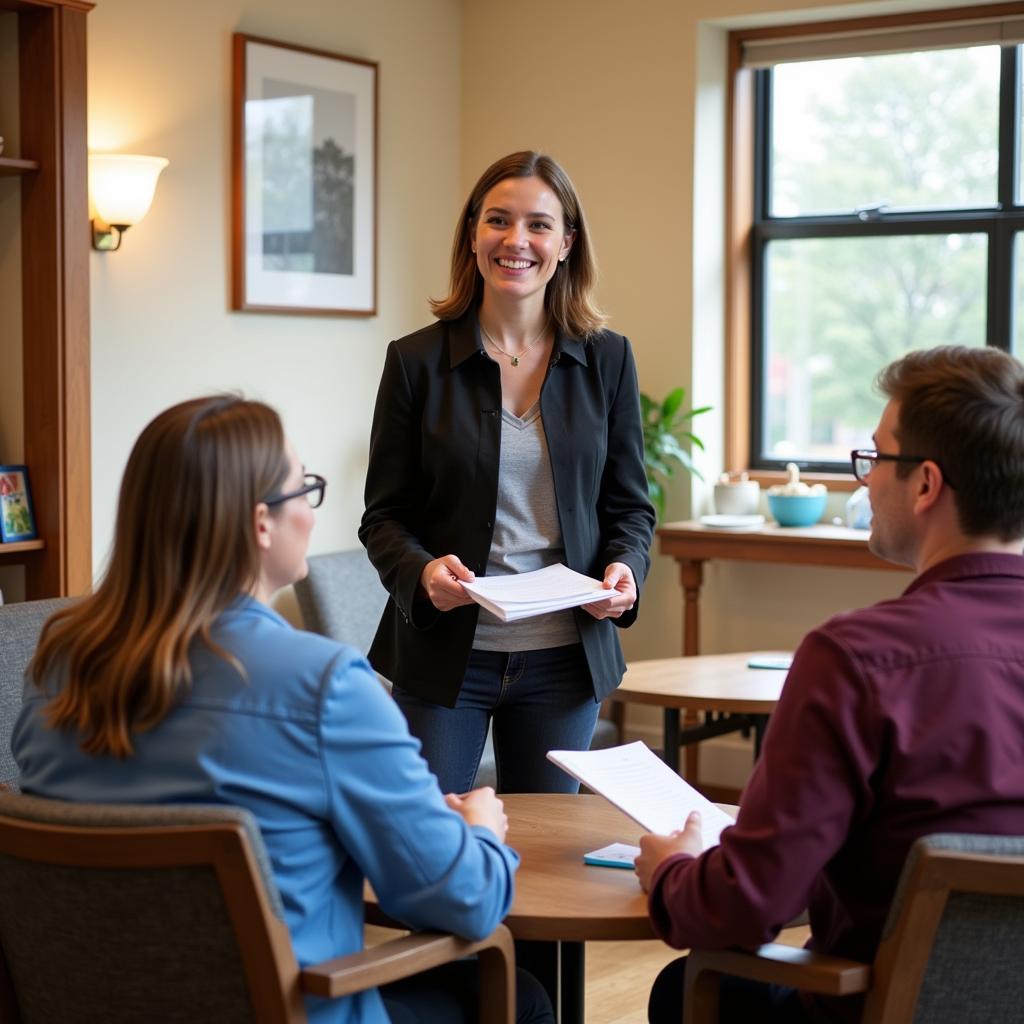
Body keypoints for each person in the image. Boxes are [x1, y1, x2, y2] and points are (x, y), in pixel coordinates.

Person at [12, 395, 552, 1024]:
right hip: (286, 1010)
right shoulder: (323, 685)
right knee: (523, 998)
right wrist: (480, 832)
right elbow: (463, 901)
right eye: (306, 490)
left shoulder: (58, 664)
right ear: (260, 523)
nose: (313, 515)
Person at [635, 345, 1024, 1024]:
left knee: (689, 988)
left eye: (875, 460)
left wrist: (675, 870)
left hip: (874, 1008)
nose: (865, 482)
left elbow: (745, 909)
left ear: (926, 484)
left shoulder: (855, 659)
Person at [359, 150, 655, 795]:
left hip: (565, 659)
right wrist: (421, 573)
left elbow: (630, 507)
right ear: (472, 234)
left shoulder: (609, 360)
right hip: (444, 657)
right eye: (498, 220)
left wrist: (625, 569)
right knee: (434, 839)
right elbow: (383, 515)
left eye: (539, 225)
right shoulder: (415, 361)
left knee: (549, 852)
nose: (516, 240)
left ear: (567, 243)